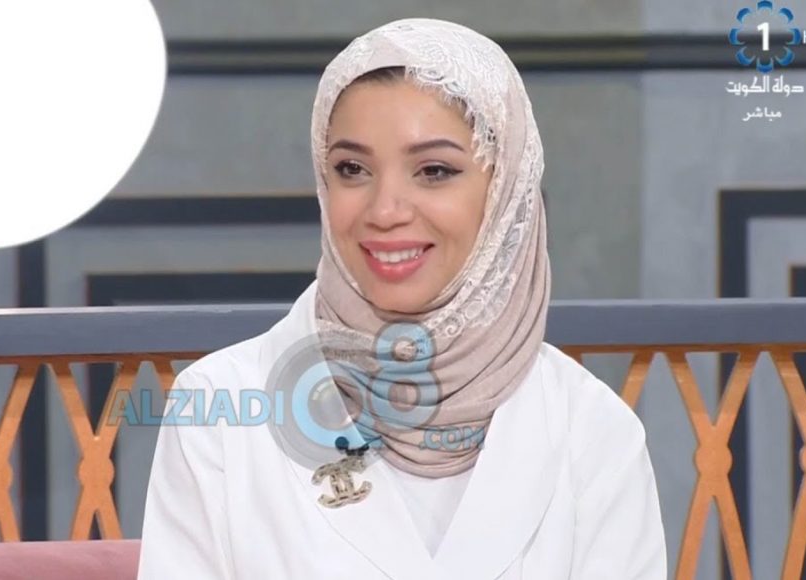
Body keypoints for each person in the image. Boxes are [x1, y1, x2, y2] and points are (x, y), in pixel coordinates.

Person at [138, 18, 666, 579]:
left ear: (504, 190)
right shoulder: (219, 408)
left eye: (434, 171)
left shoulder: (593, 429)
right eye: (352, 170)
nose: (385, 210)